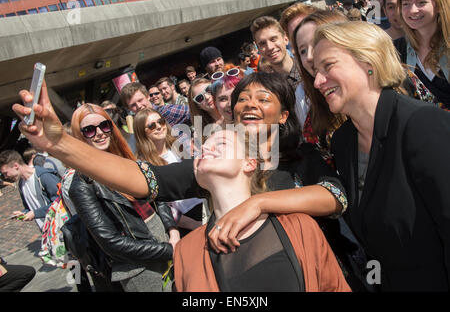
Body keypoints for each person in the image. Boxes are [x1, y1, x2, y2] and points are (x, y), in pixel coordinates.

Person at [13, 74, 353, 289]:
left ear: (282, 115)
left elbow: (334, 197)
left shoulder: (301, 156)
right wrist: (60, 144)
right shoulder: (218, 162)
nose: (249, 104)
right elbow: (144, 179)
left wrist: (258, 202)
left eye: (263, 99)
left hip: (313, 270)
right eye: (242, 100)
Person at [311, 21, 450, 291]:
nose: (317, 81)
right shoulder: (343, 142)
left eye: (328, 66)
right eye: (315, 71)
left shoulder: (422, 124)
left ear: (369, 62)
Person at [173, 128, 351, 292]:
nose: (204, 148)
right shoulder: (185, 252)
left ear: (249, 163)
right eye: (202, 147)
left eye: (221, 143)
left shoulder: (300, 227)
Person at [68, 103, 177, 292]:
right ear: (80, 136)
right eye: (89, 130)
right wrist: (168, 250)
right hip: (139, 267)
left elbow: (157, 197)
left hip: (167, 240)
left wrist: (173, 232)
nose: (100, 133)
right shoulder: (82, 185)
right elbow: (111, 242)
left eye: (104, 125)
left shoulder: (129, 161)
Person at [133, 108, 204, 237]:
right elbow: (163, 207)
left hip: (206, 204)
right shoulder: (145, 165)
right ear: (142, 133)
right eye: (151, 125)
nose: (159, 127)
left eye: (160, 121)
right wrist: (194, 224)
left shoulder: (182, 146)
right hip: (188, 220)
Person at [291, 10, 348, 167]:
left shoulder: (400, 86)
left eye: (316, 42)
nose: (309, 56)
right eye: (302, 50)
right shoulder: (314, 124)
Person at [394, 0, 449, 109]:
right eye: (406, 4)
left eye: (421, 2)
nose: (413, 10)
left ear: (438, 6)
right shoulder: (396, 49)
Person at [0, 150, 59, 231]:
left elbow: (60, 203)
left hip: (60, 229)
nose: (5, 177)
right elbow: (30, 207)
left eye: (5, 173)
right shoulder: (21, 184)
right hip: (46, 231)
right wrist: (24, 213)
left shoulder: (43, 176)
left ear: (16, 166)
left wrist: (35, 213)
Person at [250, 16, 301, 90]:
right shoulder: (265, 89)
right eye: (262, 43)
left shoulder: (309, 69)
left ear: (285, 39)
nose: (270, 47)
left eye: (273, 39)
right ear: (259, 49)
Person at [120, 82, 191, 126]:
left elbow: (195, 111)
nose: (138, 106)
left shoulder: (165, 111)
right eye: (133, 105)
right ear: (129, 108)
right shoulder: (138, 126)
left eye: (140, 100)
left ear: (147, 96)